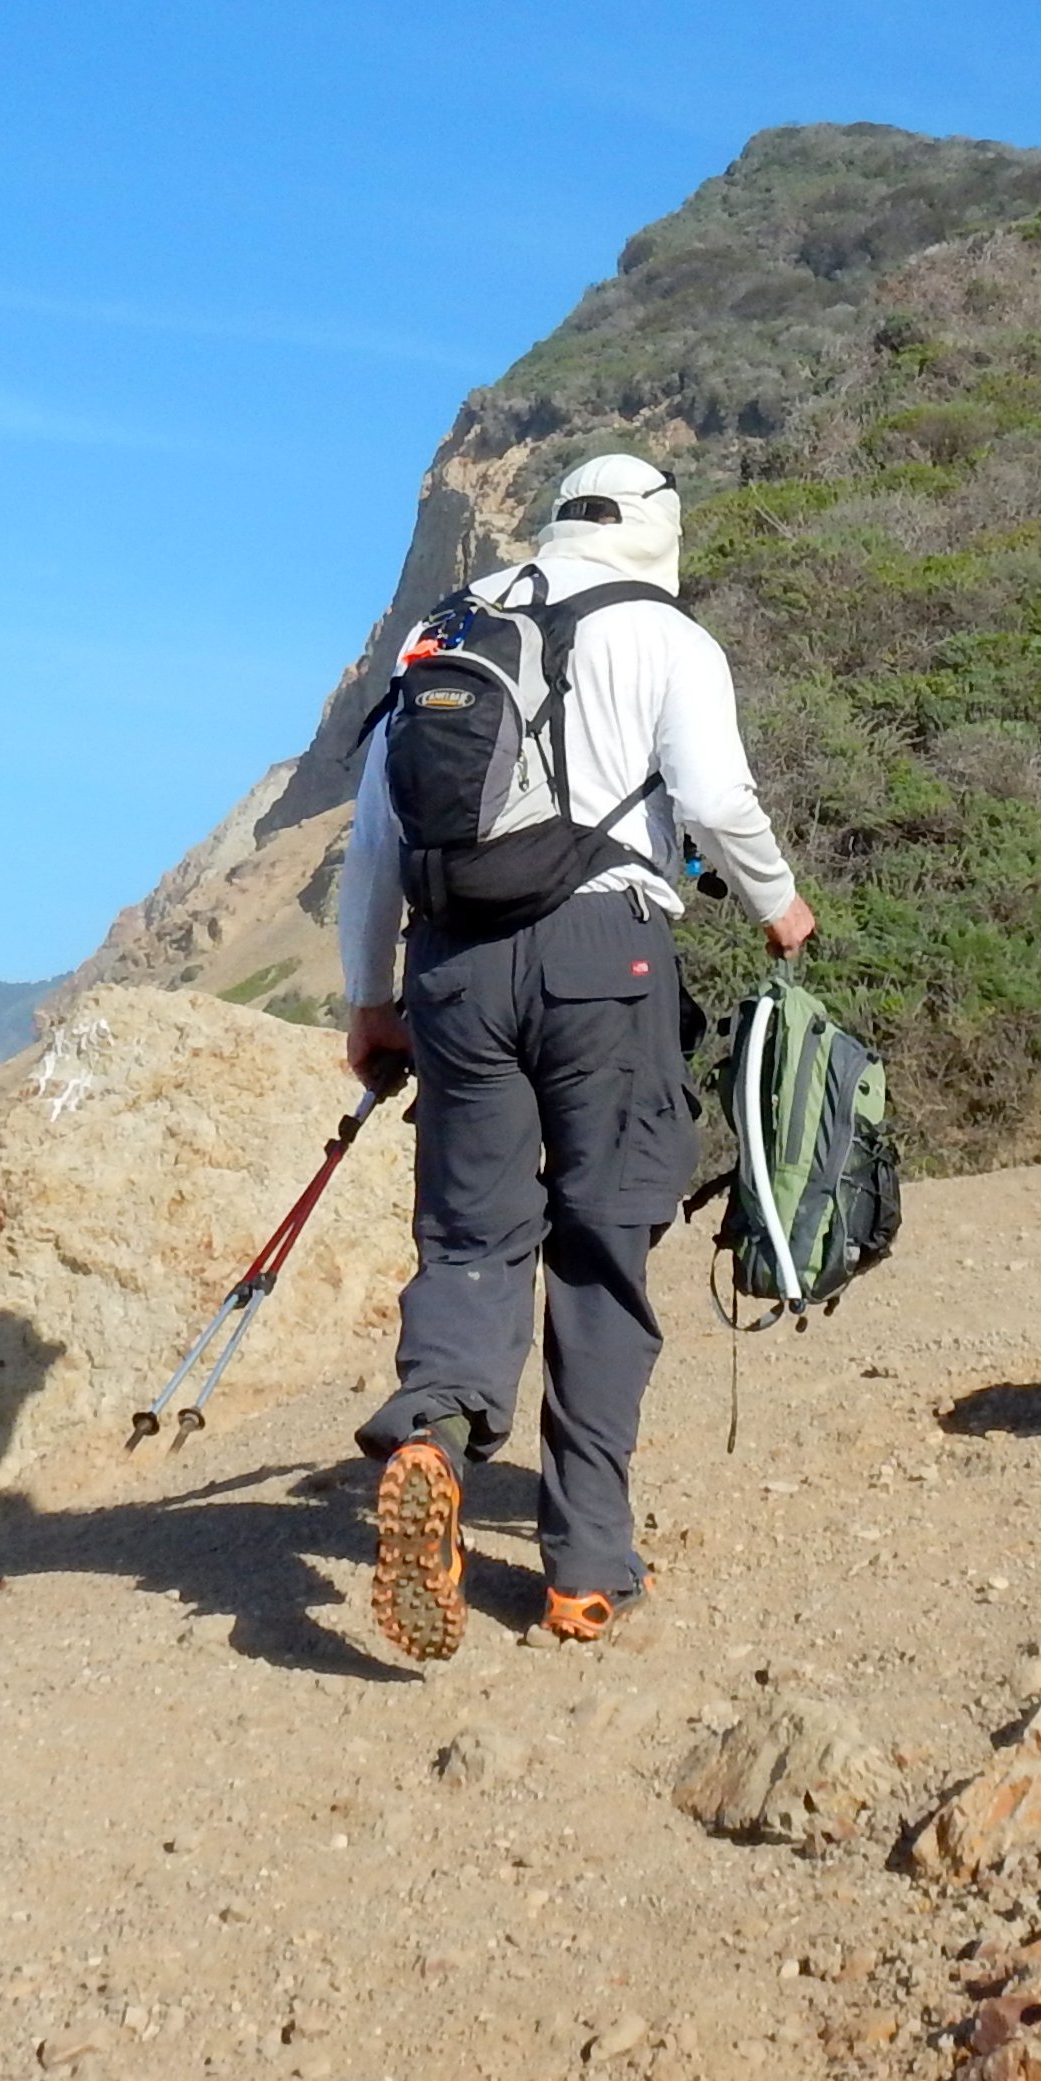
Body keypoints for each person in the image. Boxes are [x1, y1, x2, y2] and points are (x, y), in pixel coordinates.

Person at [336, 452, 813, 1662]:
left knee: (470, 1237)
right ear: (661, 533)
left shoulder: (451, 627)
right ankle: (586, 1570)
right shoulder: (665, 634)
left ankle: (434, 1431)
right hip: (609, 953)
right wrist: (779, 904)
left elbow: (377, 839)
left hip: (454, 965)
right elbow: (716, 797)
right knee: (601, 1246)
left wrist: (370, 1001)